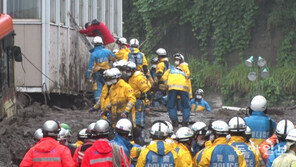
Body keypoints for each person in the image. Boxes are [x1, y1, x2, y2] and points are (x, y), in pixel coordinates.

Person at [124, 61, 151, 143]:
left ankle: (141, 140)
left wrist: (147, 105)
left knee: (139, 122)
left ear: (133, 70)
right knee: (133, 122)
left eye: (129, 71)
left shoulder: (139, 78)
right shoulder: (131, 78)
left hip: (139, 101)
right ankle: (135, 140)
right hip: (133, 101)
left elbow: (146, 91)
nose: (127, 72)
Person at [86, 36, 116, 103]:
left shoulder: (93, 54)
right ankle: (109, 104)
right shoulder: (107, 52)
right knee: (108, 88)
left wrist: (88, 77)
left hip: (97, 75)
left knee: (98, 90)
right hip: (107, 74)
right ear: (102, 43)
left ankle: (99, 105)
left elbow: (91, 67)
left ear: (94, 44)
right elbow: (114, 58)